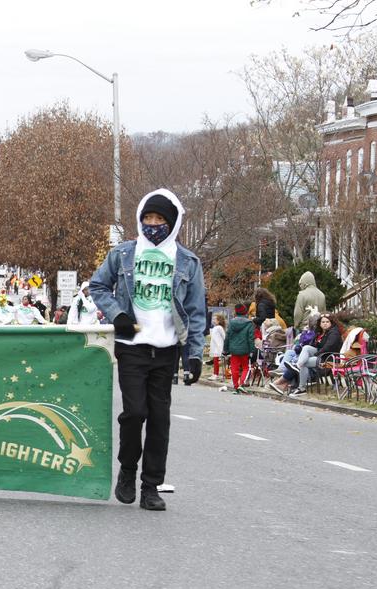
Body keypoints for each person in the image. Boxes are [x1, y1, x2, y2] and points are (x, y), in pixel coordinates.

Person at [89, 188, 207, 512]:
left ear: (172, 223)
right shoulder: (124, 254)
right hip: (132, 347)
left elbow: (196, 312)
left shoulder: (187, 261)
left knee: (159, 420)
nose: (153, 224)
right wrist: (118, 315)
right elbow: (97, 285)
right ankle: (127, 470)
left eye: (159, 219)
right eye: (148, 218)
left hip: (166, 350)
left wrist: (194, 355)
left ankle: (150, 486)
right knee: (134, 413)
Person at [272, 312, 344, 397]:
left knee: (304, 363)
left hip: (328, 358)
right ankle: (296, 367)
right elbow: (312, 345)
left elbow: (328, 347)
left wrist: (316, 354)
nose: (325, 324)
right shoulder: (320, 332)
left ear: (332, 322)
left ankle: (300, 387)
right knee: (306, 348)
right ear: (320, 323)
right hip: (320, 356)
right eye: (323, 322)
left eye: (327, 322)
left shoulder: (334, 333)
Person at [223, 304, 255, 394]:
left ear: (236, 312)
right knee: (246, 367)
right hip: (245, 349)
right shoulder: (249, 323)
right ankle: (241, 384)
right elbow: (250, 338)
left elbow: (227, 337)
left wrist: (225, 349)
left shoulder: (231, 322)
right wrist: (252, 350)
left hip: (233, 349)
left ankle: (236, 386)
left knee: (234, 368)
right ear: (245, 312)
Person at [209, 313, 226, 381]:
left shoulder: (219, 328)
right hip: (214, 346)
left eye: (215, 319)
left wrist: (222, 347)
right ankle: (214, 373)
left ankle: (216, 374)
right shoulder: (214, 328)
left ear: (219, 321)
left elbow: (224, 337)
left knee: (216, 361)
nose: (213, 320)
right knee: (215, 361)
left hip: (218, 346)